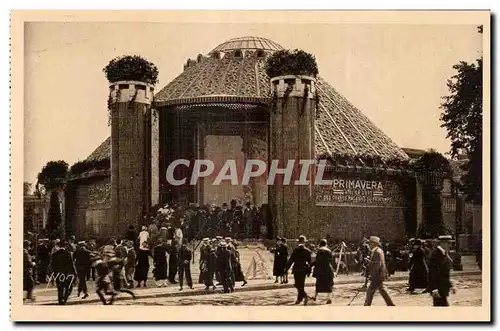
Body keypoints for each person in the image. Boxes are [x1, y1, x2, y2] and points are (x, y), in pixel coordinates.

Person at [364, 236, 395, 306]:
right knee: (382, 290)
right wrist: (370, 261)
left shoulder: (376, 252)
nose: (368, 245)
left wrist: (372, 275)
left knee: (370, 291)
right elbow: (377, 263)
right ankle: (391, 305)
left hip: (377, 275)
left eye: (370, 243)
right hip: (380, 274)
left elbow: (377, 266)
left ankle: (366, 306)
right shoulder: (378, 250)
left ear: (374, 244)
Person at [427, 235, 456, 306]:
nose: (450, 245)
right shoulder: (436, 254)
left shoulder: (444, 254)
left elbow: (445, 273)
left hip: (442, 288)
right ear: (442, 243)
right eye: (448, 243)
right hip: (438, 290)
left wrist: (451, 285)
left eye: (450, 243)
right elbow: (432, 272)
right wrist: (434, 288)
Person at [286, 235, 312, 305]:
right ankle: (305, 296)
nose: (301, 243)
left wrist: (286, 268)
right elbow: (309, 263)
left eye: (301, 242)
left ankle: (299, 299)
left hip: (298, 269)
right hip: (302, 269)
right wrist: (309, 271)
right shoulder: (307, 251)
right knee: (299, 284)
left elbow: (291, 260)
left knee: (298, 284)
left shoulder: (297, 250)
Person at [50, 240, 77, 305]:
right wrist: (75, 274)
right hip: (66, 274)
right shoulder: (68, 254)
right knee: (69, 288)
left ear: (59, 246)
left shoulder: (54, 255)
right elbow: (71, 265)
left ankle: (60, 303)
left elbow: (52, 266)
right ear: (65, 246)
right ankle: (64, 300)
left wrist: (52, 276)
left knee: (60, 290)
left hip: (57, 274)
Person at [311, 239, 334, 304]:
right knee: (329, 284)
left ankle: (315, 296)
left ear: (320, 244)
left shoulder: (319, 251)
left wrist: (311, 265)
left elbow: (317, 261)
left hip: (320, 270)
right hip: (327, 269)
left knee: (318, 284)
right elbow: (331, 260)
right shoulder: (329, 251)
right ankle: (329, 298)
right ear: (326, 244)